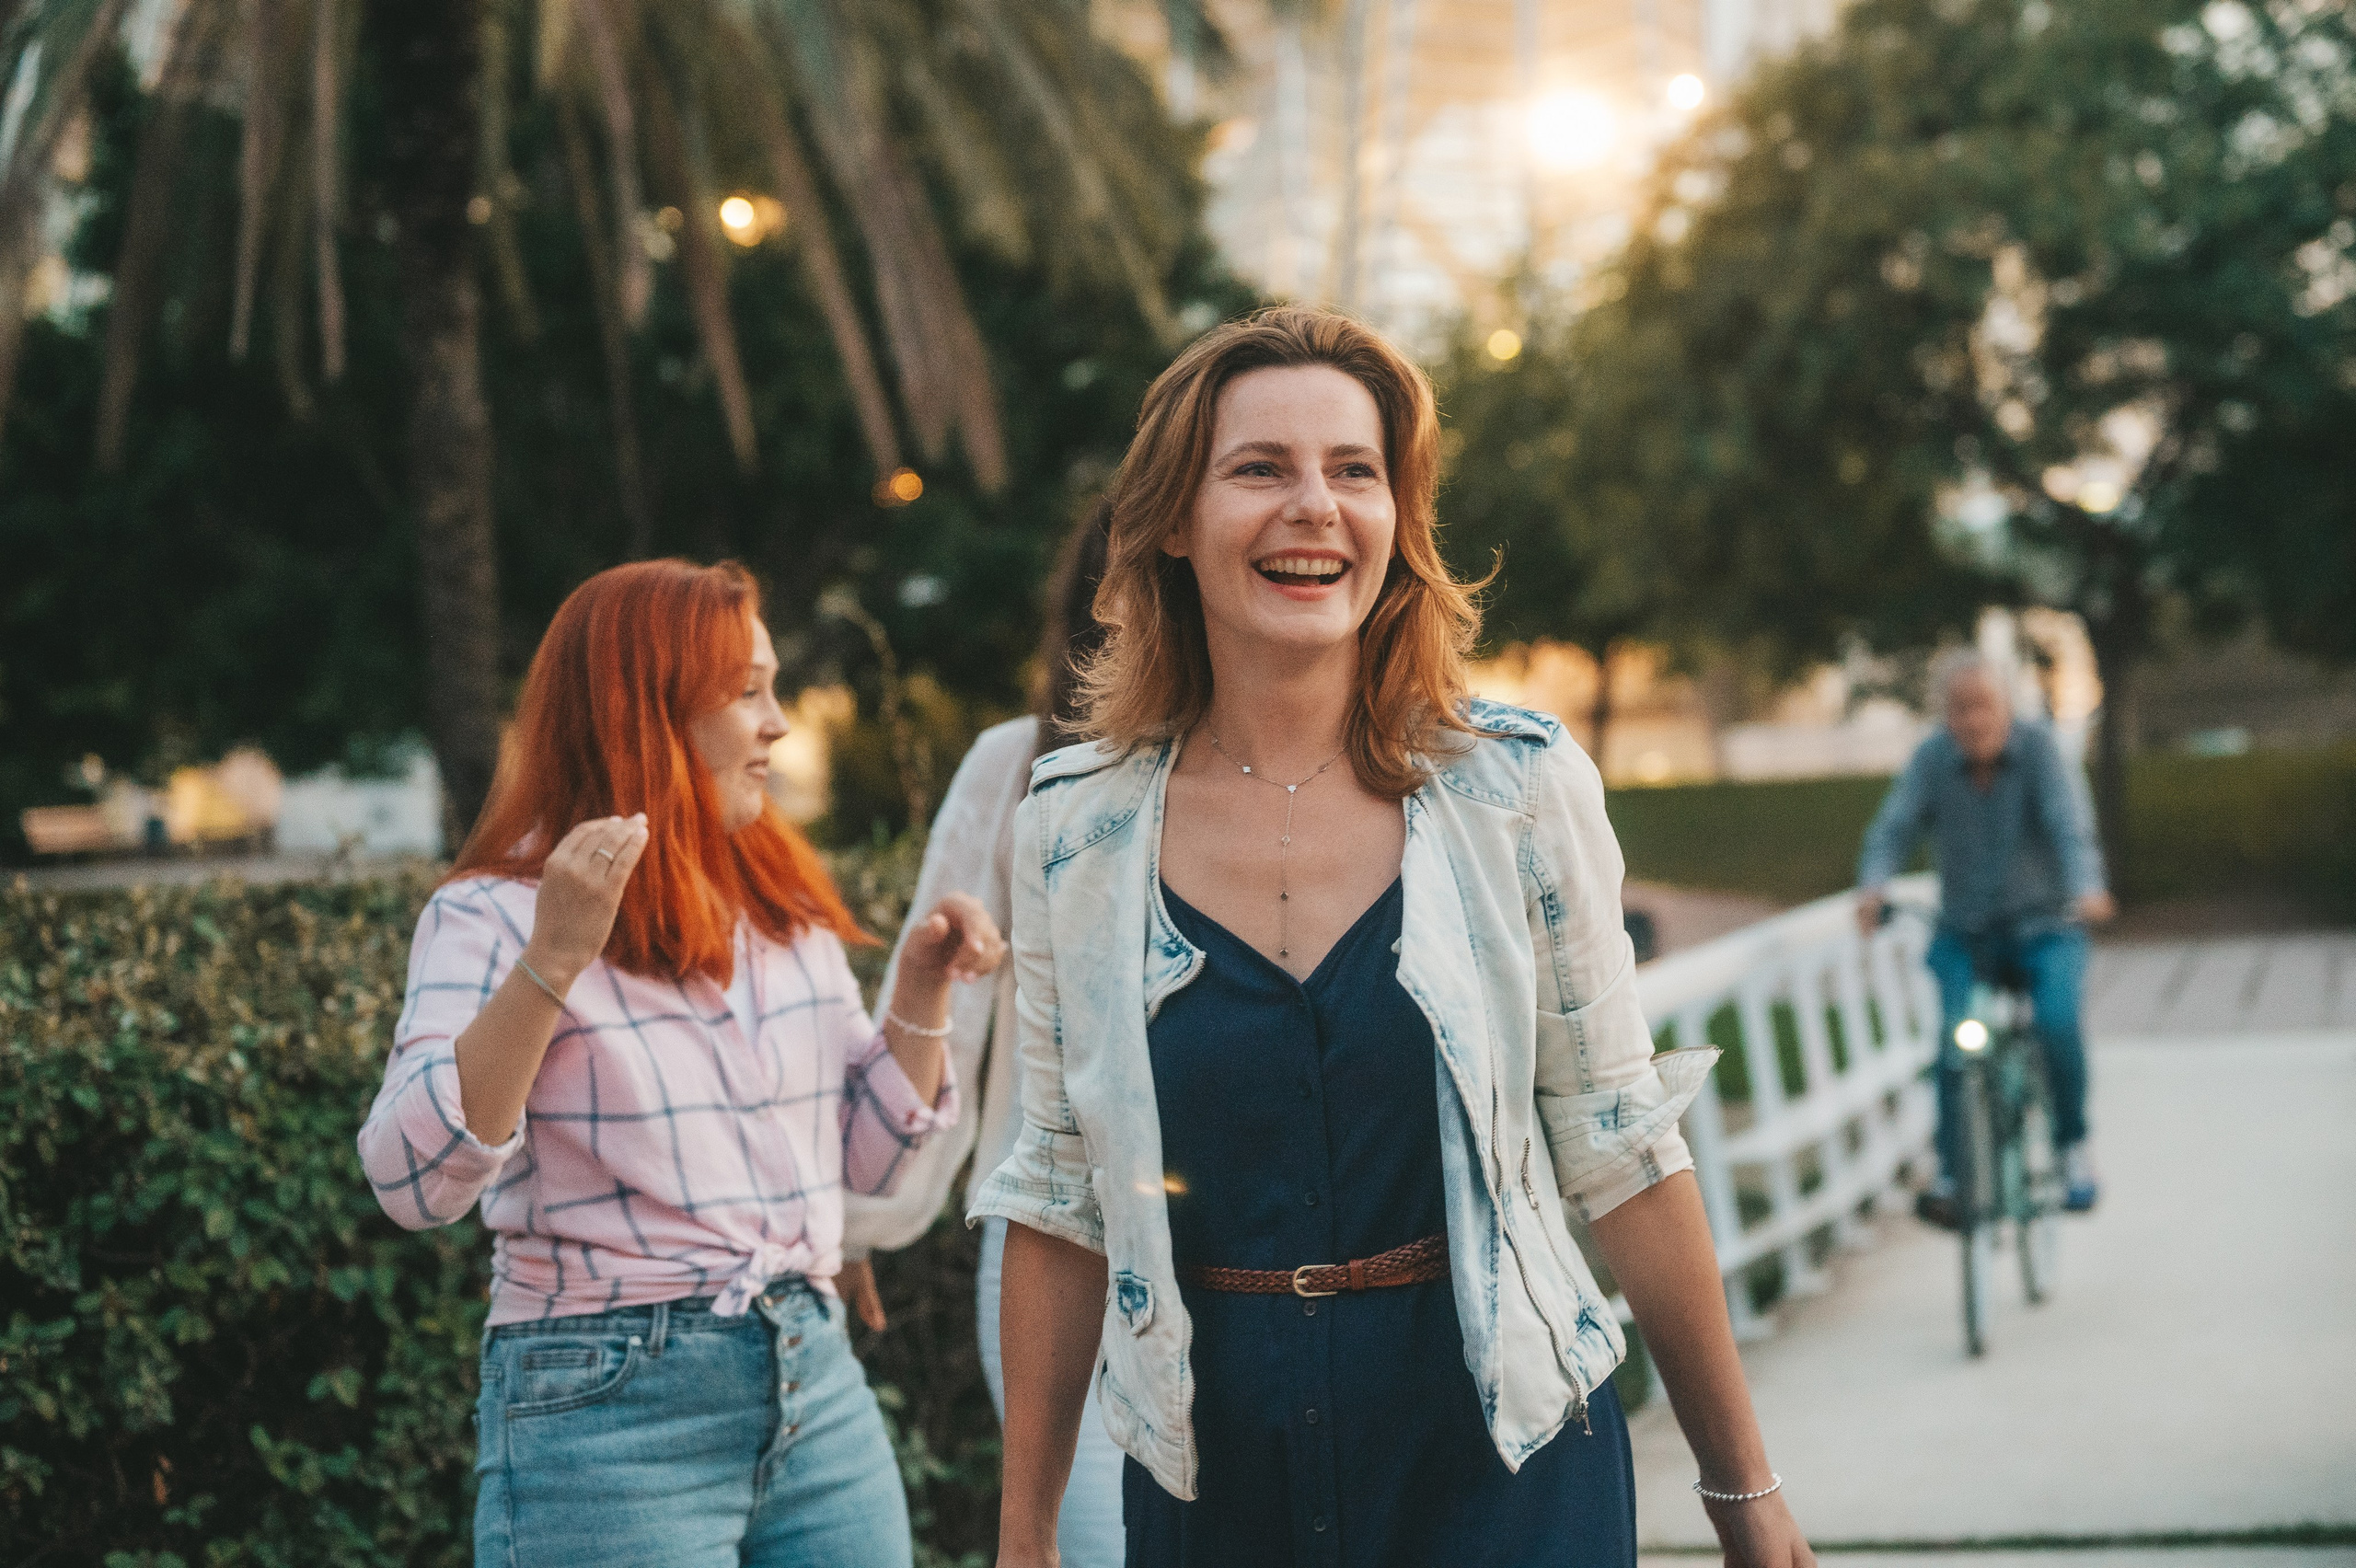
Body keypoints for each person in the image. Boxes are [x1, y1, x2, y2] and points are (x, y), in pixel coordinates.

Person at [977, 306, 1813, 1568]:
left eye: (1354, 472)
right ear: (1168, 525)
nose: (1315, 506)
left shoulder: (1516, 794)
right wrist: (1025, 1538)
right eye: (1260, 468)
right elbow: (1058, 1199)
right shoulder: (1074, 836)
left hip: (1506, 1460)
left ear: (1395, 525)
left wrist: (1743, 1494)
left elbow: (1624, 1149)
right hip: (1216, 1482)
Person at [357, 559, 1004, 1568]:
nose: (778, 723)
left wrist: (920, 993)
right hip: (607, 1410)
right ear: (647, 712)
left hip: (812, 1378)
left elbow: (870, 1169)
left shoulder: (782, 912)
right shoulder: (492, 912)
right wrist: (553, 960)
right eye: (747, 691)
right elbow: (410, 1180)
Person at [838, 502, 1127, 1566]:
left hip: (1252, 1255)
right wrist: (858, 1217)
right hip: (1056, 1237)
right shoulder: (1017, 767)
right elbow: (935, 1012)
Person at [1855, 649, 2113, 1221]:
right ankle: (1953, 1172)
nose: (1973, 721)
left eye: (1984, 706)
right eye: (1960, 709)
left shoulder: (2040, 751)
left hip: (2046, 928)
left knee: (2056, 1023)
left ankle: (2073, 1148)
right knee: (1953, 1042)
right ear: (1945, 717)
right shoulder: (1931, 761)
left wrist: (2087, 888)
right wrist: (1873, 887)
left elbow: (2070, 827)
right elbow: (1892, 829)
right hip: (1966, 935)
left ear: (2007, 707)